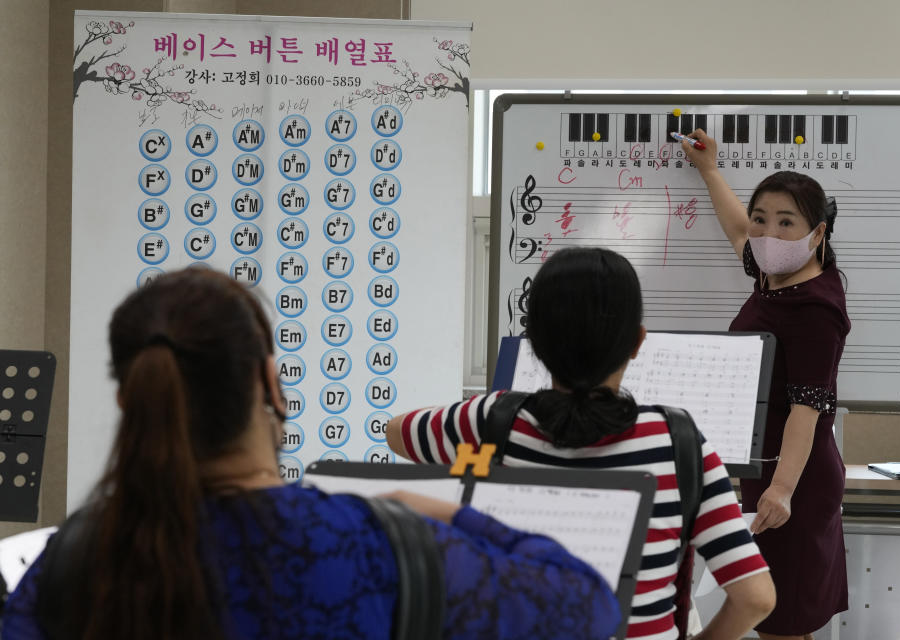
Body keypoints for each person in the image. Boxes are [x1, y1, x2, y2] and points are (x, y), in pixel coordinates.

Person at [1, 268, 621, 640]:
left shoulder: (76, 561)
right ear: (270, 385)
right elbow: (589, 607)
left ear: (128, 402)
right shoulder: (381, 546)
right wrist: (435, 511)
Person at [387, 247, 776, 640]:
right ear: (638, 342)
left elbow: (396, 431)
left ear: (534, 343)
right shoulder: (678, 443)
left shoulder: (489, 421)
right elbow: (755, 597)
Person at [681, 130, 850, 640]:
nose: (768, 234)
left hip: (796, 478)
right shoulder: (776, 275)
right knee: (778, 617)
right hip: (769, 468)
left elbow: (808, 408)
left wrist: (781, 491)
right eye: (763, 219)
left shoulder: (816, 307)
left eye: (786, 223)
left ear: (816, 234)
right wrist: (710, 170)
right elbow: (739, 232)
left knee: (783, 619)